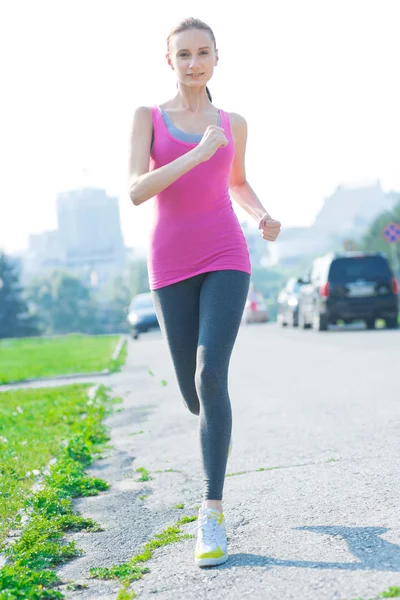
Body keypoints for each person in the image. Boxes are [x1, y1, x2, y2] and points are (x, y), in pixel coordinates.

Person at [128, 17, 281, 568]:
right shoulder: (148, 119)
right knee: (195, 397)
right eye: (184, 54)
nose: (194, 63)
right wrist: (194, 155)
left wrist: (261, 215)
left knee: (209, 375)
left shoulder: (233, 122)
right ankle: (219, 430)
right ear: (169, 61)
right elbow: (137, 191)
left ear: (217, 58)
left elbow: (235, 181)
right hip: (170, 266)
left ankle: (211, 512)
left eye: (204, 53)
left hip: (225, 255)